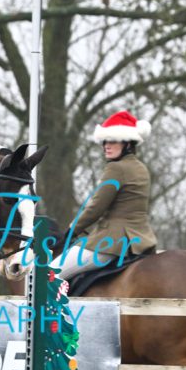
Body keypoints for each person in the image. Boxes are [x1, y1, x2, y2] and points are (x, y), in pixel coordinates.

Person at [52, 110, 158, 280]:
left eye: (113, 140)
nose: (106, 146)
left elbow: (96, 207)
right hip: (141, 241)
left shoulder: (116, 168)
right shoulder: (141, 168)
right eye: (105, 141)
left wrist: (73, 230)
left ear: (128, 143)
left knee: (48, 274)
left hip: (112, 242)